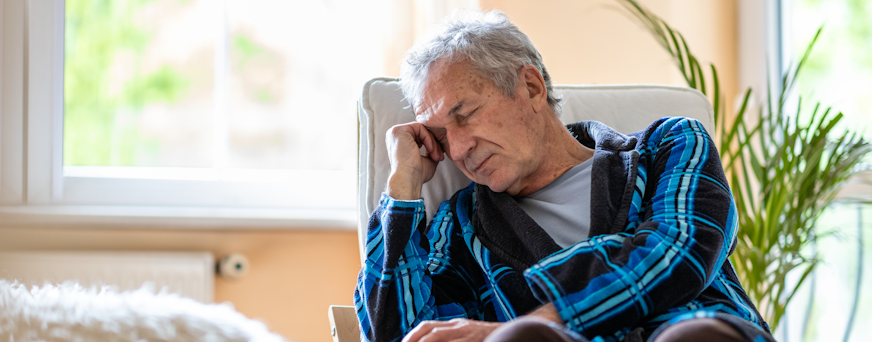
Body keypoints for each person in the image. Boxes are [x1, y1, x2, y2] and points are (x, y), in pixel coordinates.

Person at [354, 9, 774, 342]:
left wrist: (547, 318)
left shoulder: (668, 147)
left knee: (693, 336)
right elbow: (403, 335)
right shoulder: (461, 226)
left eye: (465, 115)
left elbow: (677, 253)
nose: (458, 148)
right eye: (442, 134)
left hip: (692, 333)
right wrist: (402, 189)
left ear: (532, 87)